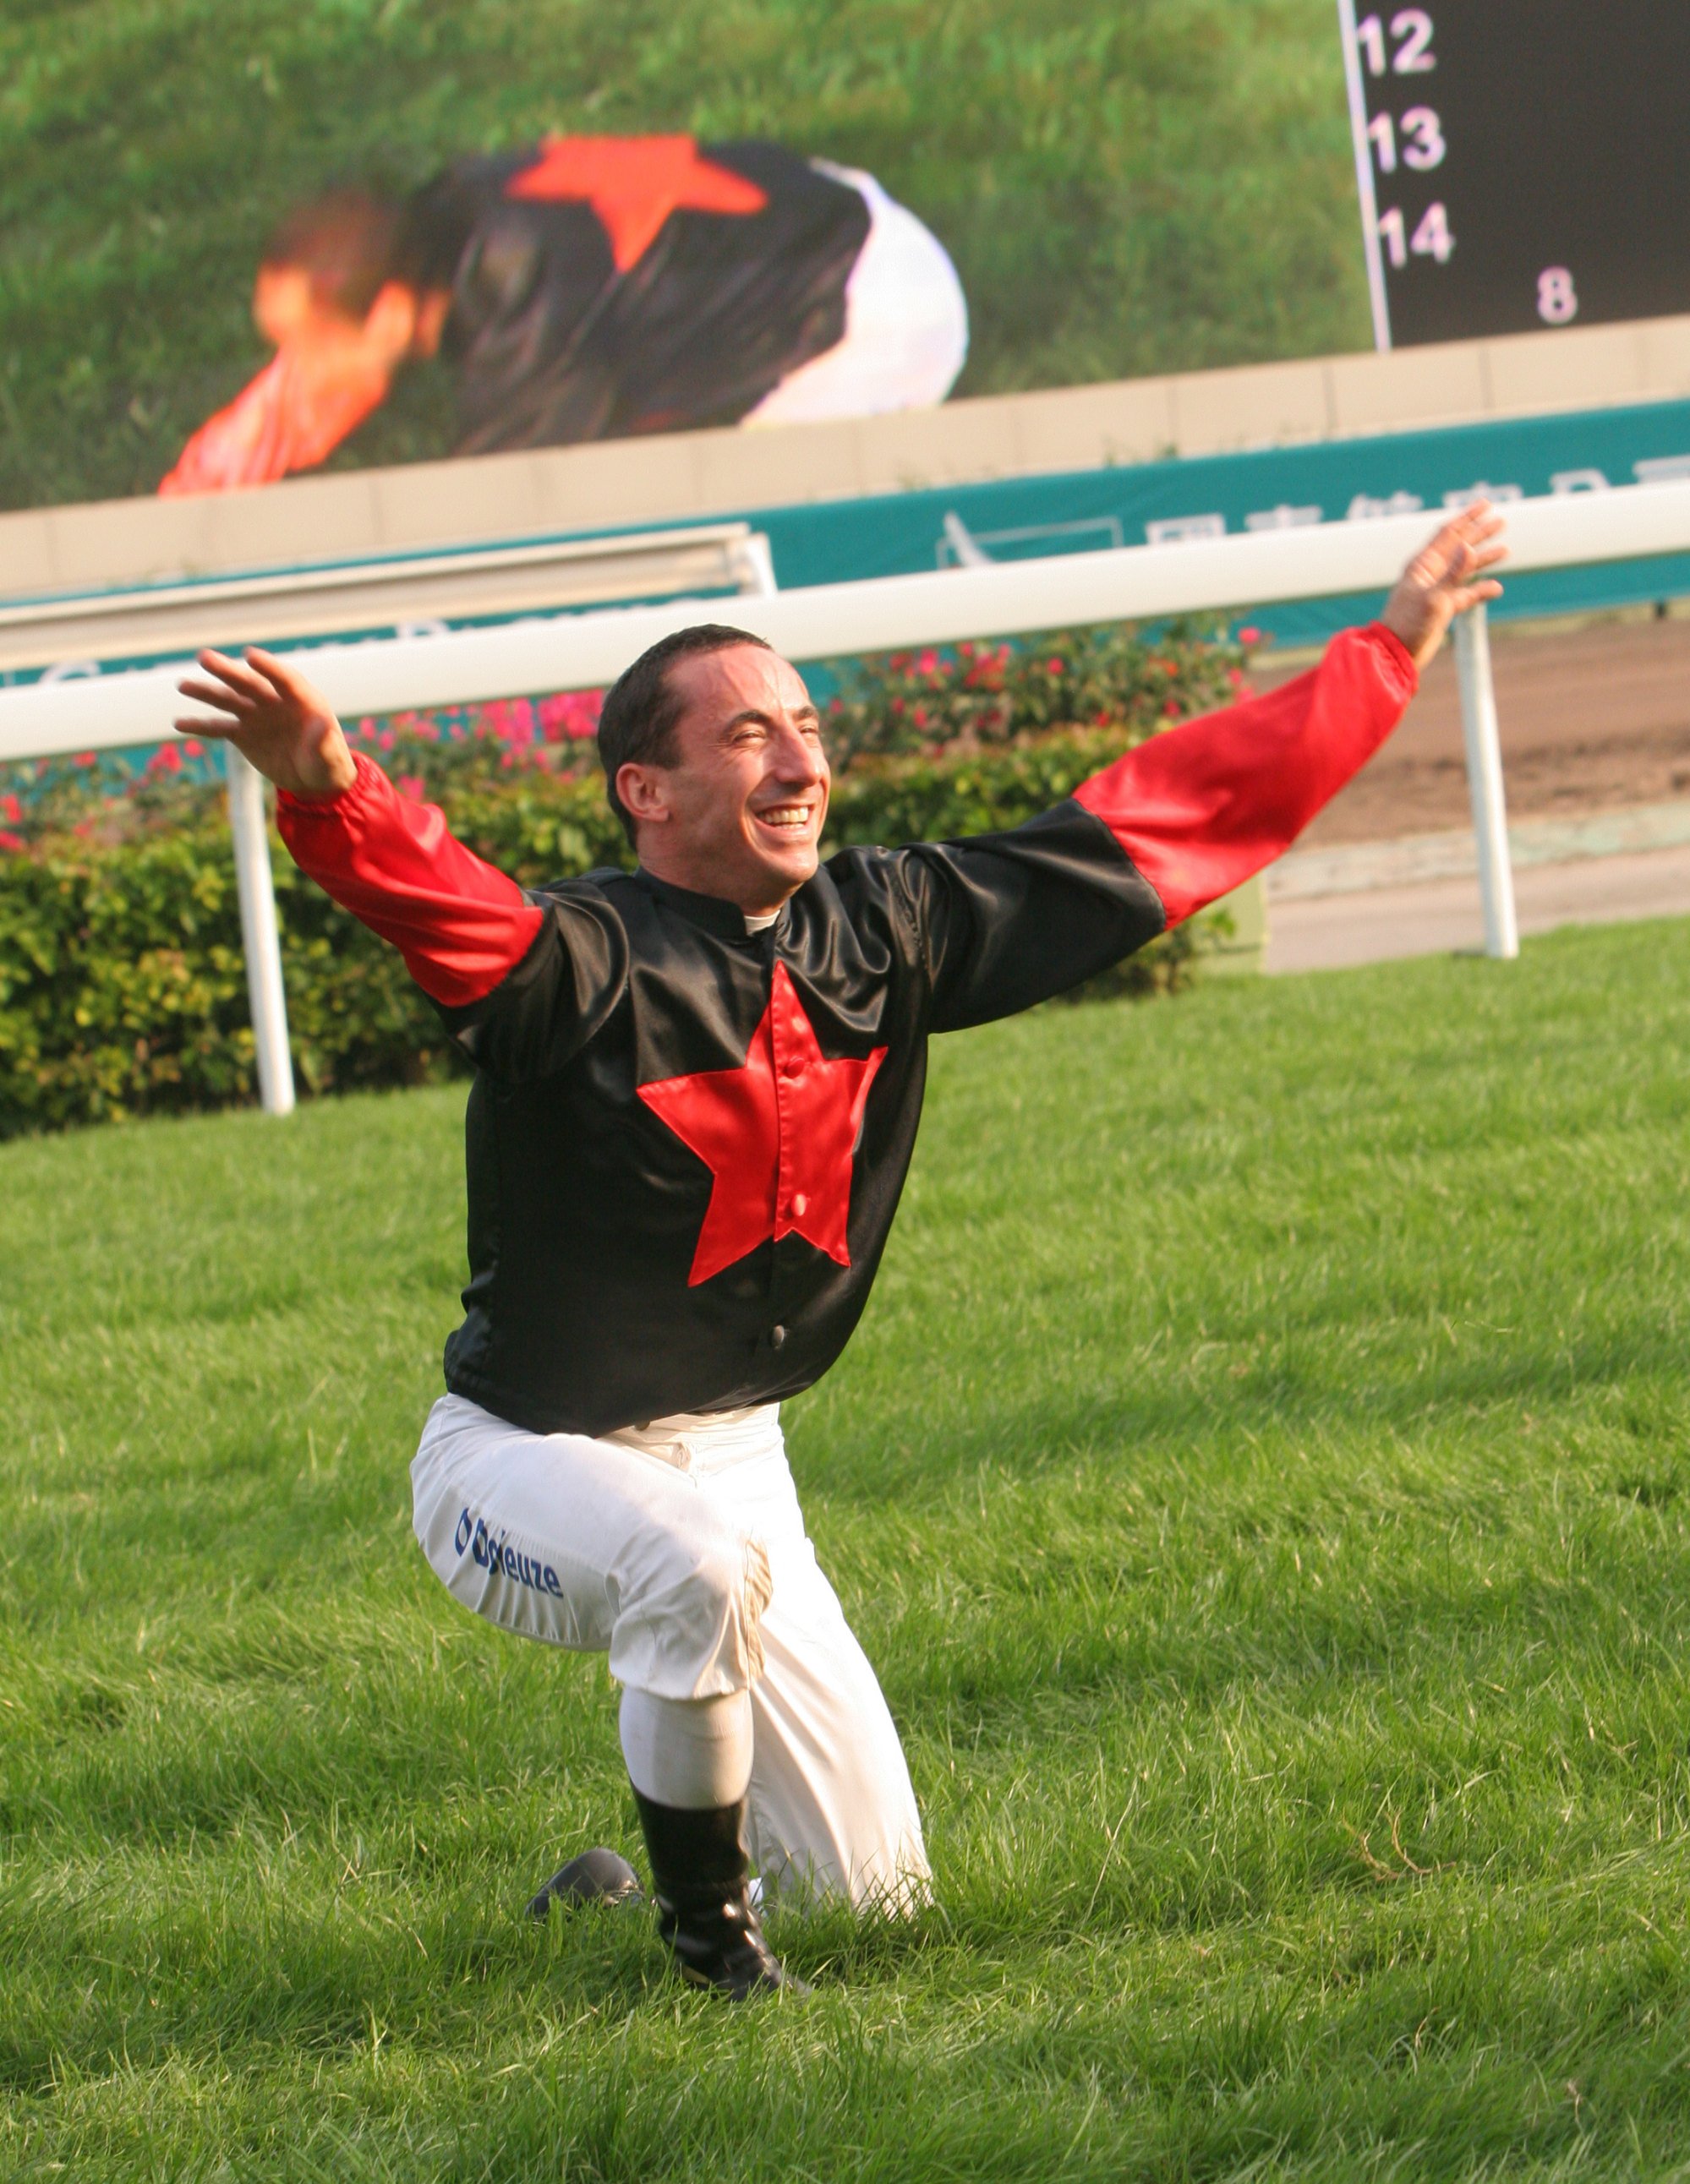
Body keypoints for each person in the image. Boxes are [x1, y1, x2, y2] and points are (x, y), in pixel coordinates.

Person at [173, 505, 1507, 1998]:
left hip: (736, 1450)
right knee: (687, 1565)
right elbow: (456, 910)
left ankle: (611, 1896)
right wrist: (333, 790)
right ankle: (713, 1953)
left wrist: (1379, 655)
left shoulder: (891, 922)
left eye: (805, 728)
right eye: (749, 736)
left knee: (882, 1898)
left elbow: (1153, 830)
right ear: (647, 789)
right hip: (511, 1460)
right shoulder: (582, 959)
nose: (801, 763)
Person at [160, 139, 968, 495]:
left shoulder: (531, 346)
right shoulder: (443, 208)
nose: (292, 369)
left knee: (729, 515)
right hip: (818, 200)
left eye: (306, 347)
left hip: (878, 315)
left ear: (391, 314)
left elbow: (501, 530)